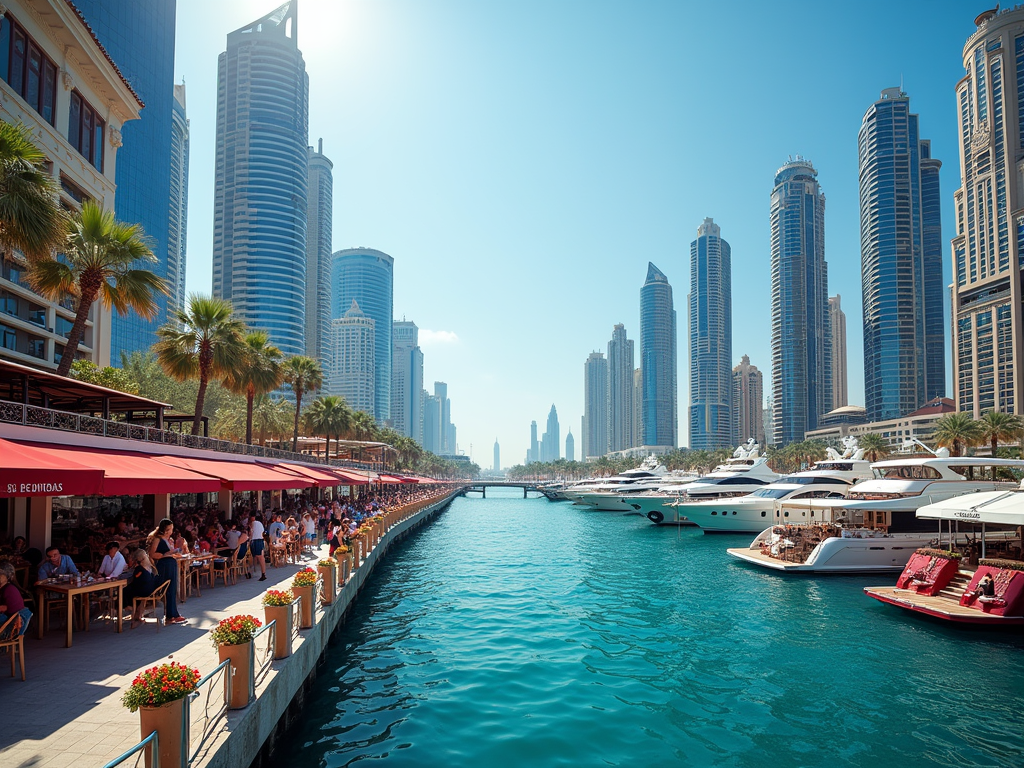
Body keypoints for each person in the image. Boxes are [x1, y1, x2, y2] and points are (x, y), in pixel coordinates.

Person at [148, 518, 186, 625]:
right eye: (170, 529)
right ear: (165, 529)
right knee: (168, 588)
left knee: (172, 588)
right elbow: (152, 554)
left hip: (171, 564)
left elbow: (169, 553)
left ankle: (174, 613)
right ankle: (170, 615)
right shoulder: (158, 539)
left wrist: (174, 553)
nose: (171, 531)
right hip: (164, 566)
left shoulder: (168, 540)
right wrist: (164, 555)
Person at [122, 550, 159, 628]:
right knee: (132, 590)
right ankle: (137, 616)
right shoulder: (151, 565)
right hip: (151, 589)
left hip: (144, 590)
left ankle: (127, 607)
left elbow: (135, 581)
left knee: (125, 590)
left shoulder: (139, 568)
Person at [0, 561, 30, 634]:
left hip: (9, 626)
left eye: (0, 574)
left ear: (8, 576)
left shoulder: (10, 589)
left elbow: (14, 611)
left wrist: (3, 608)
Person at [250, 514, 267, 581]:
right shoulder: (260, 524)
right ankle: (259, 572)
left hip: (255, 540)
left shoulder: (253, 523)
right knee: (258, 557)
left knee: (258, 557)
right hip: (260, 540)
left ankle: (260, 573)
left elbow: (251, 533)